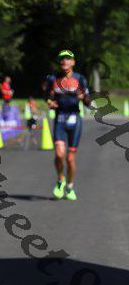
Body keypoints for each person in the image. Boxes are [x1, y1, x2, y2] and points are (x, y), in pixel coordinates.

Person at [44, 49, 90, 200]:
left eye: (67, 58)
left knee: (70, 159)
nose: (64, 61)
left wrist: (83, 97)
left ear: (73, 62)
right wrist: (50, 102)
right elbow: (47, 96)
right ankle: (60, 180)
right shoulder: (52, 78)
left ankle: (70, 187)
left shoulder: (80, 79)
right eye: (62, 58)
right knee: (59, 155)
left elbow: (89, 102)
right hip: (60, 120)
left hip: (75, 121)